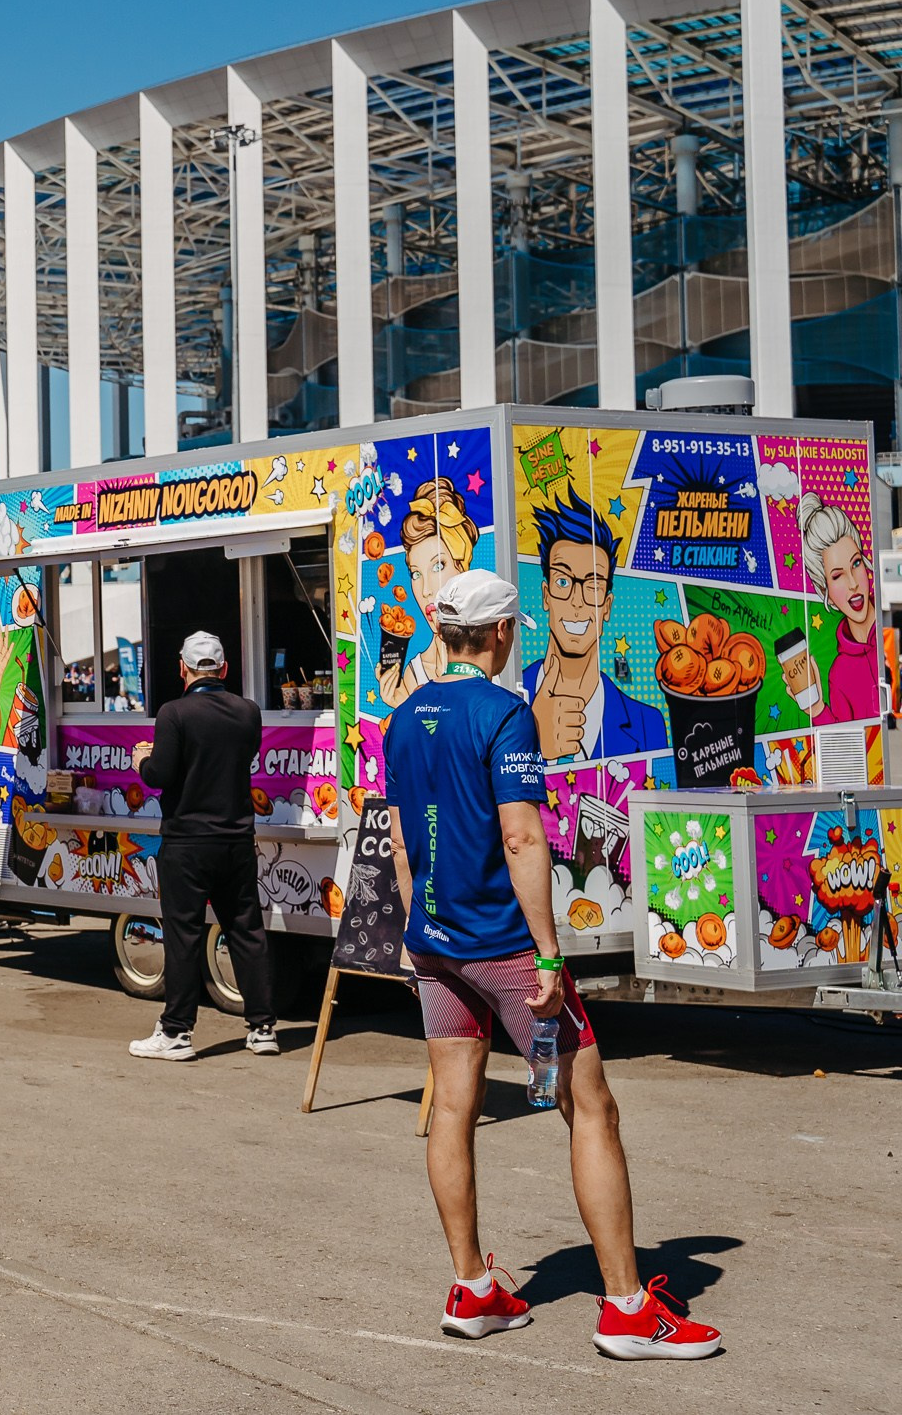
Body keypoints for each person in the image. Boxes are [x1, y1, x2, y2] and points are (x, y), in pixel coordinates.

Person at [383, 569, 720, 1360]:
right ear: (501, 633)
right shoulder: (506, 714)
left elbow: (401, 842)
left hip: (436, 946)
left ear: (445, 629)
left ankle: (472, 1286)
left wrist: (414, 931)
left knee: (454, 1105)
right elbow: (524, 837)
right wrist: (547, 951)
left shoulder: (402, 720)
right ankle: (628, 1307)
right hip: (504, 945)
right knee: (591, 1104)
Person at [127, 631, 274, 1060]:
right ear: (224, 669)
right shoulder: (248, 712)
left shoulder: (173, 713)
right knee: (246, 929)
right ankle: (263, 1027)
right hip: (236, 839)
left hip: (188, 842)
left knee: (184, 936)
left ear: (183, 669)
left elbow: (160, 775)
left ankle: (176, 1033)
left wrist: (141, 760)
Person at [523, 488, 666, 761]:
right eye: (563, 582)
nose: (578, 601)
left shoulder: (647, 724)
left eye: (593, 585)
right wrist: (532, 743)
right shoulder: (505, 704)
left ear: (608, 606)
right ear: (545, 595)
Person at [378, 478, 475, 708]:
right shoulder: (414, 673)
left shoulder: (485, 656)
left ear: (463, 567)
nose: (426, 591)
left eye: (438, 566)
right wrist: (399, 704)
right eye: (416, 574)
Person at [795, 490, 883, 723]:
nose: (853, 583)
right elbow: (845, 747)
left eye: (856, 563)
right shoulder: (840, 674)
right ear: (826, 593)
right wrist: (816, 709)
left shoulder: (893, 630)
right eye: (837, 576)